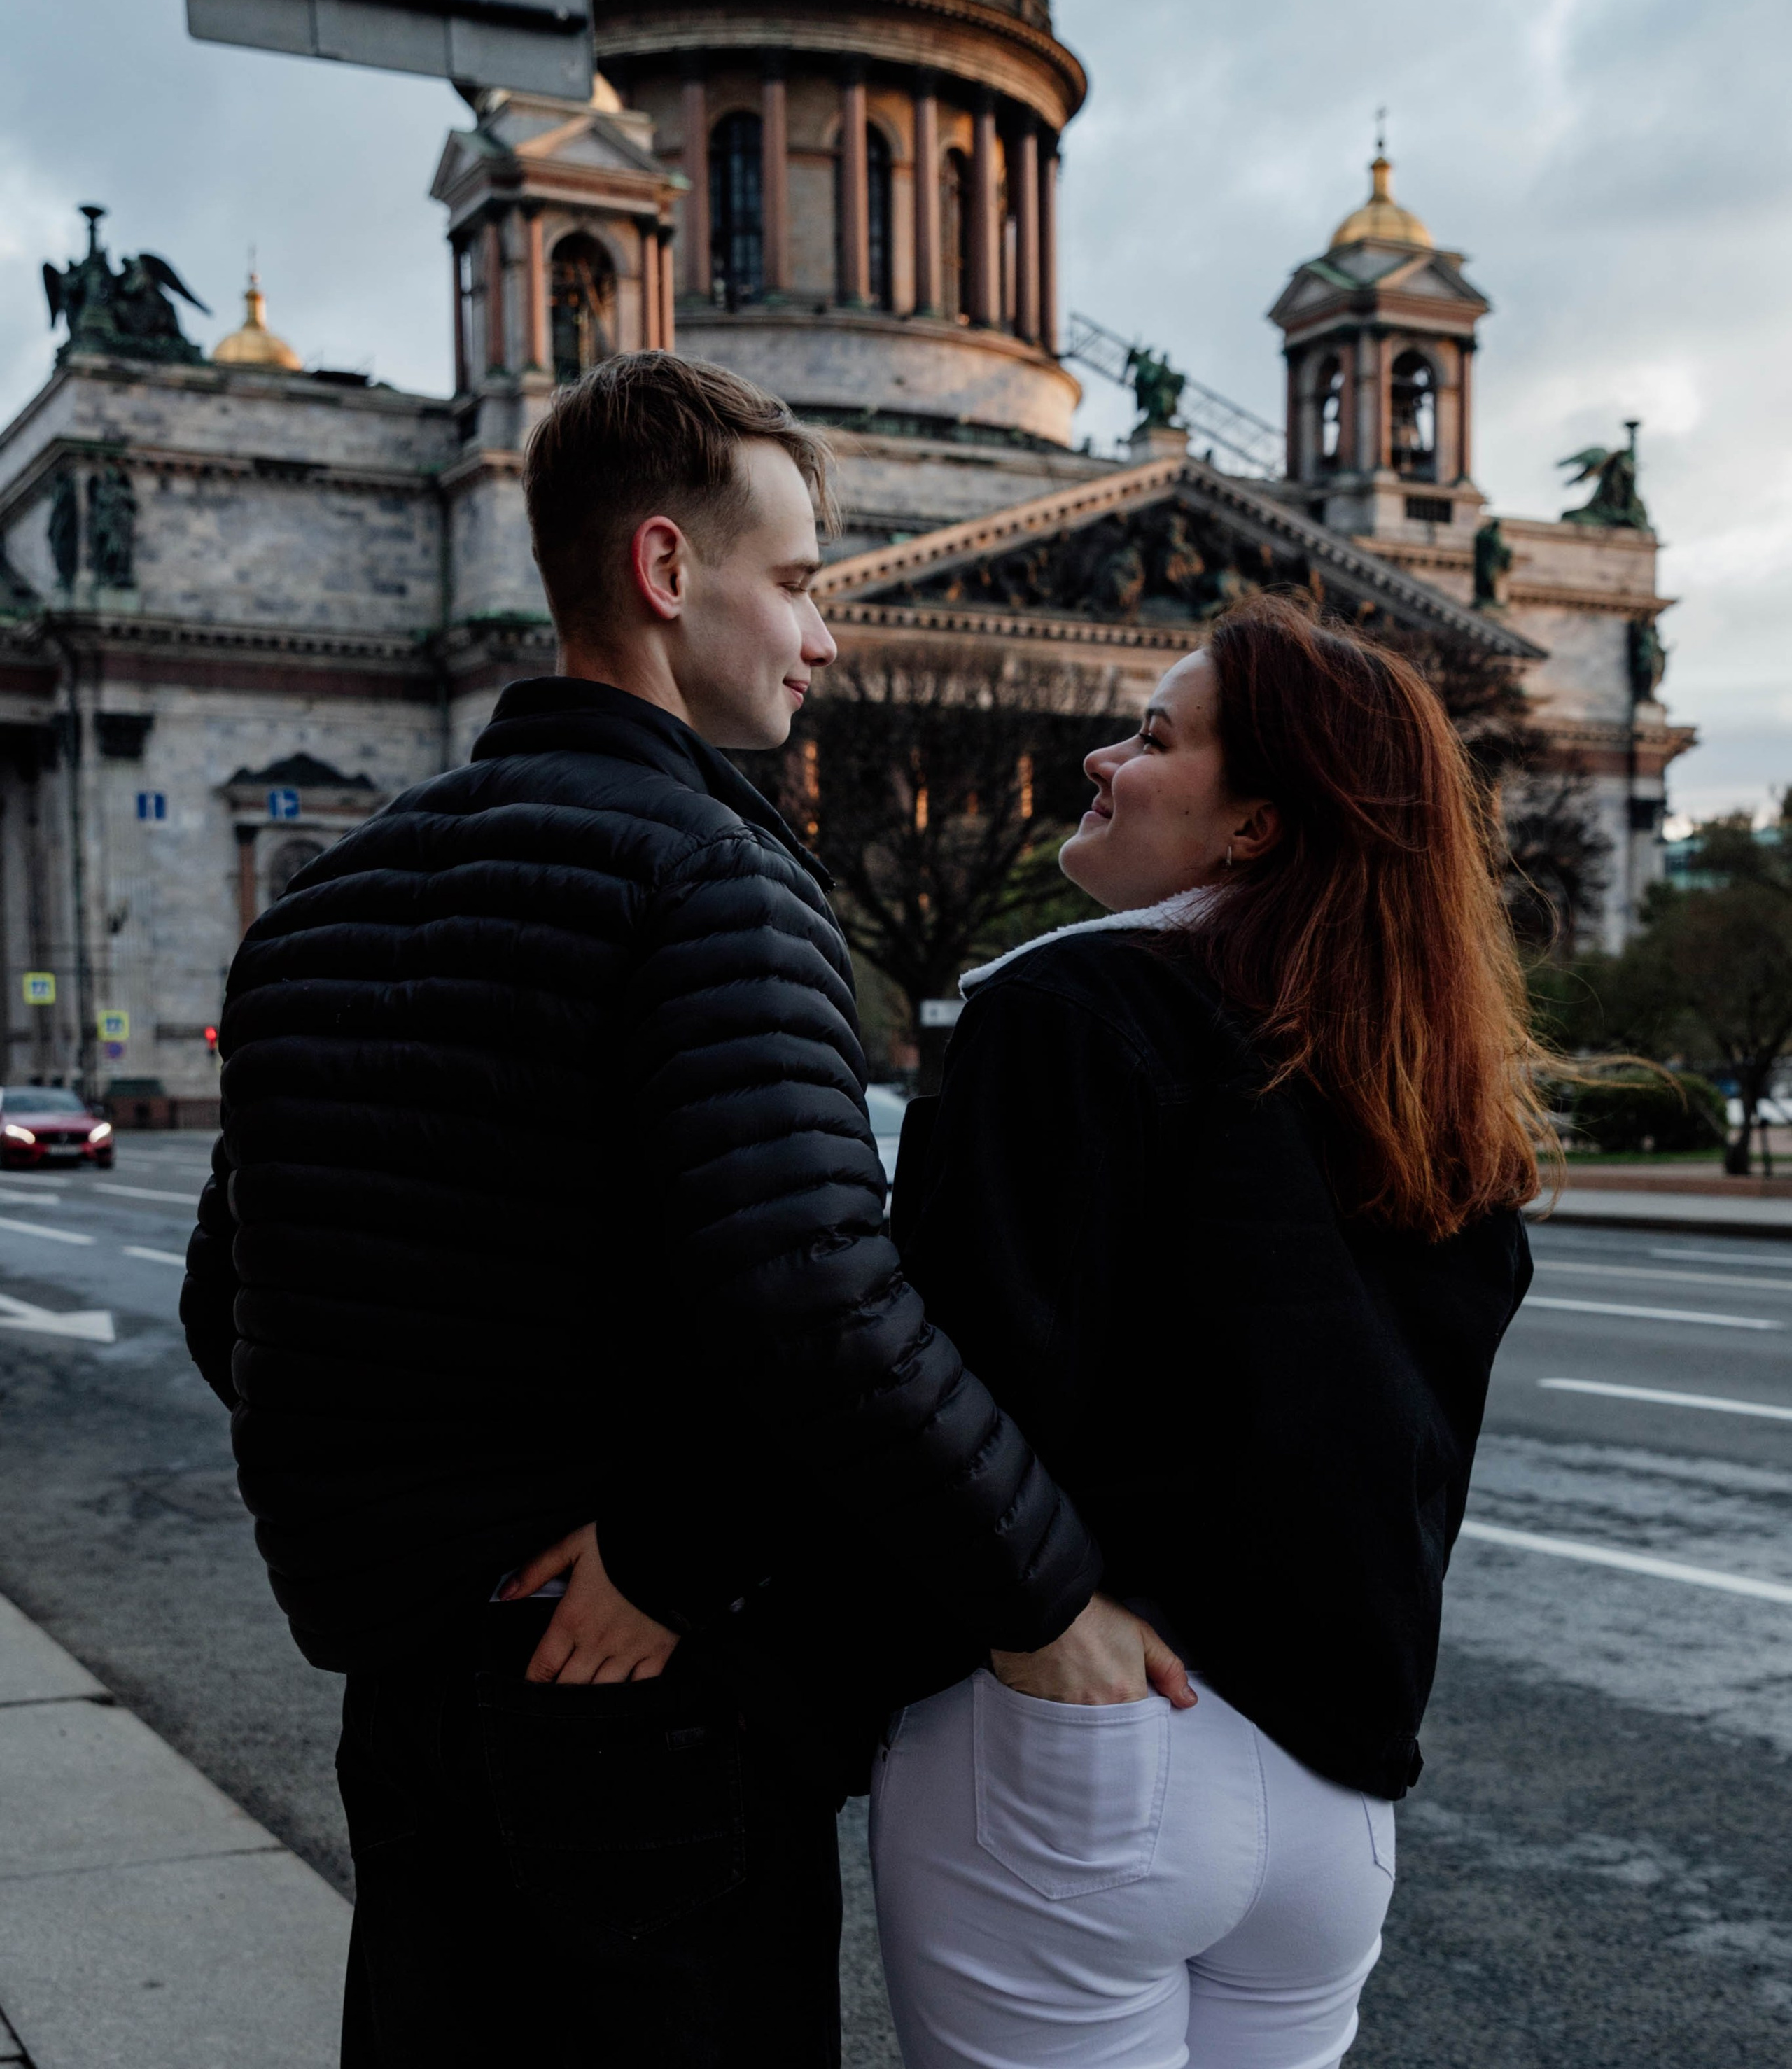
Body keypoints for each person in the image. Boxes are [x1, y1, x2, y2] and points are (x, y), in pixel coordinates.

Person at [181, 349, 1184, 2069]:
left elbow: (239, 1307)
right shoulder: (714, 880)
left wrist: (438, 1544)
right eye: (795, 584)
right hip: (644, 1703)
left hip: (405, 1691)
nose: (824, 635)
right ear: (664, 573)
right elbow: (816, 1307)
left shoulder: (316, 912)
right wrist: (1041, 1588)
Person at [869, 596, 1540, 2069]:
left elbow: (926, 1378)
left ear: (1255, 827)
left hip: (1083, 1740)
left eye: (1157, 738)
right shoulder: (1432, 1091)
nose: (1103, 758)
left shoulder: (1072, 1004)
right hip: (1337, 1793)